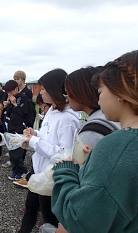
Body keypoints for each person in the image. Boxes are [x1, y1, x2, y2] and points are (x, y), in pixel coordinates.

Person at [52, 51, 138, 233]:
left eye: (100, 91)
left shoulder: (117, 145)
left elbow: (80, 220)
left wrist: (66, 172)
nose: (98, 98)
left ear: (120, 92)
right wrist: (100, 162)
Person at [18, 69, 80, 233]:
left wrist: (34, 141)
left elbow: (65, 155)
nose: (41, 92)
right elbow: (47, 135)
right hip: (40, 174)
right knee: (30, 209)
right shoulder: (52, 110)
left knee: (50, 219)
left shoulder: (67, 118)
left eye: (43, 88)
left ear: (54, 90)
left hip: (52, 179)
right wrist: (35, 134)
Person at [3, 80, 30, 181]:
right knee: (11, 150)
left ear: (16, 88)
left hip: (20, 127)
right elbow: (9, 114)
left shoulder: (23, 97)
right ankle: (15, 171)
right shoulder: (11, 98)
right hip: (12, 126)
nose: (9, 94)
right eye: (7, 92)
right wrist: (8, 104)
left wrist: (15, 104)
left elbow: (24, 113)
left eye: (11, 91)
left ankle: (23, 170)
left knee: (17, 152)